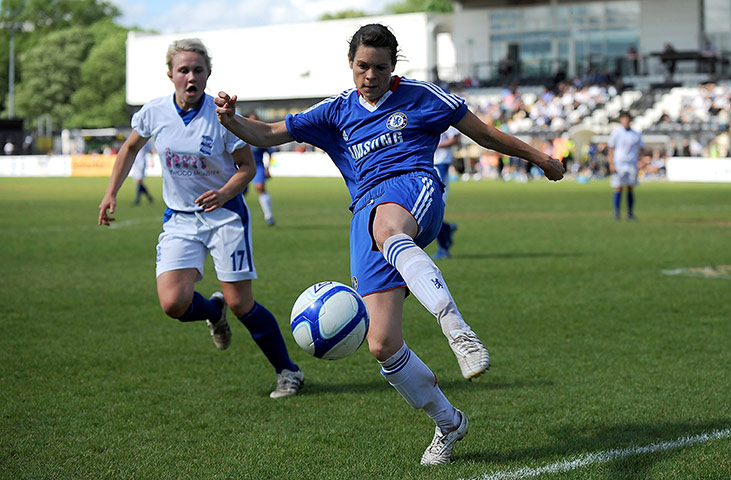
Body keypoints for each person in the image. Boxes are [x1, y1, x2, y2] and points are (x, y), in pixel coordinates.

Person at [215, 24, 565, 464]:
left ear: (393, 67)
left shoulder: (422, 97)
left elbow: (486, 135)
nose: (370, 75)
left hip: (413, 189)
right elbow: (267, 133)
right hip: (365, 214)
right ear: (351, 64)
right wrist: (230, 119)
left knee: (387, 228)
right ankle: (448, 422)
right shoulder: (335, 111)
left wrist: (541, 159)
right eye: (362, 66)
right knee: (382, 343)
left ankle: (458, 331)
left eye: (380, 67)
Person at [97, 38, 304, 399]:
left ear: (208, 75)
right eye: (183, 70)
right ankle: (212, 313)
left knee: (242, 303)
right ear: (170, 75)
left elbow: (247, 168)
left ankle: (288, 371)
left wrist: (224, 193)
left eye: (198, 70)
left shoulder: (222, 117)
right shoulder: (154, 112)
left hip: (225, 217)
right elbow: (130, 147)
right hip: (179, 218)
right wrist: (111, 191)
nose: (191, 77)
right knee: (173, 304)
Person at [608, 111, 643, 220]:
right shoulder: (616, 133)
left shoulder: (636, 134)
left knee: (630, 188)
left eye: (627, 118)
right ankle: (617, 213)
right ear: (621, 120)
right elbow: (611, 149)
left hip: (631, 163)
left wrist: (641, 160)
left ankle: (630, 213)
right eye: (624, 118)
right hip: (619, 163)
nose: (626, 120)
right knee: (618, 188)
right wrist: (611, 163)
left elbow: (640, 148)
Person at [432, 126, 460, 260]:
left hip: (440, 164)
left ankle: (444, 247)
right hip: (427, 163)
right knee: (429, 209)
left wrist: (434, 144)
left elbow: (455, 139)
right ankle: (446, 228)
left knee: (434, 207)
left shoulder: (442, 111)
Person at [246, 112, 276, 226]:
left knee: (260, 187)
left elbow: (270, 153)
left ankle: (269, 216)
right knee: (239, 192)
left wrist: (268, 168)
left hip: (257, 165)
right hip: (242, 166)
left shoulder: (261, 136)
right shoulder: (241, 134)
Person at [130, 140, 154, 205]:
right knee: (138, 182)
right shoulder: (134, 137)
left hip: (141, 162)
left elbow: (150, 150)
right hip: (135, 162)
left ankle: (138, 199)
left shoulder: (146, 140)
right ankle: (149, 197)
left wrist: (151, 160)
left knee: (139, 181)